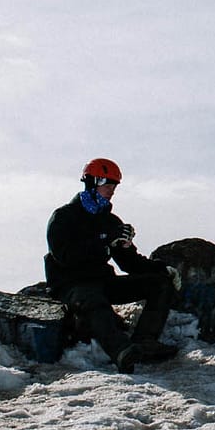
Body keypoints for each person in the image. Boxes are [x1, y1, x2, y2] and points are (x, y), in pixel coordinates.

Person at [45, 157, 177, 374]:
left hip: (102, 281)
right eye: (107, 184)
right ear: (92, 183)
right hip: (71, 285)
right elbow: (64, 257)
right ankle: (122, 352)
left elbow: (129, 263)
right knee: (93, 300)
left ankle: (145, 341)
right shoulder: (64, 217)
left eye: (114, 185)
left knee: (159, 284)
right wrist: (105, 241)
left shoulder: (110, 221)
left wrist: (161, 269)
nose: (112, 189)